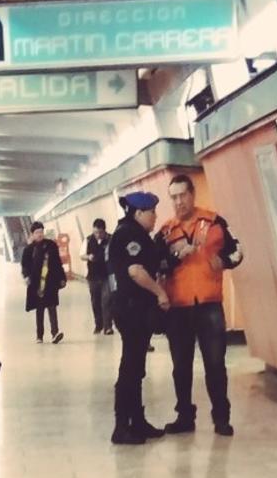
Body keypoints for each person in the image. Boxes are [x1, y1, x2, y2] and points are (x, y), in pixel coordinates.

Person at [158, 173, 243, 437]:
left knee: (215, 364)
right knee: (181, 367)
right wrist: (175, 257)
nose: (179, 202)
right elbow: (156, 265)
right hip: (178, 307)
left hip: (209, 305)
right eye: (173, 197)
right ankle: (185, 416)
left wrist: (225, 262)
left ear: (192, 194)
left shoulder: (215, 222)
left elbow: (237, 250)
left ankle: (221, 418)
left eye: (182, 195)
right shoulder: (165, 232)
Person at [107, 191, 170, 445]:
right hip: (130, 309)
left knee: (136, 368)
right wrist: (160, 293)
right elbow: (135, 271)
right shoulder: (129, 234)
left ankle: (137, 421)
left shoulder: (132, 232)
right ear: (139, 212)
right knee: (130, 368)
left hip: (133, 309)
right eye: (152, 212)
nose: (155, 216)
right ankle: (122, 427)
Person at [21, 222, 66, 344]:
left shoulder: (51, 245)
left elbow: (57, 263)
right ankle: (39, 335)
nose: (40, 234)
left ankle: (55, 333)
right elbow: (25, 265)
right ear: (32, 234)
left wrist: (62, 278)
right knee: (39, 309)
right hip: (37, 284)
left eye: (41, 232)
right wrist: (26, 276)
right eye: (37, 232)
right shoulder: (29, 250)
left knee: (52, 307)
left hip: (51, 281)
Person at [80, 218, 113, 335]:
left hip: (107, 275)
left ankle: (108, 326)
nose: (98, 235)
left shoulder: (111, 239)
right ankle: (98, 324)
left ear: (104, 230)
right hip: (93, 276)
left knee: (107, 300)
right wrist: (88, 257)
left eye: (100, 232)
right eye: (95, 232)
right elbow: (81, 255)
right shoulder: (88, 240)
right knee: (95, 301)